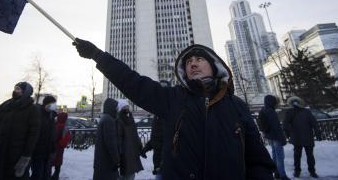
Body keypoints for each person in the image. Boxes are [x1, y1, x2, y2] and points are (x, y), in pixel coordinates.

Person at [74, 39, 275, 179]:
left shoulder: (237, 105)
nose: (193, 64)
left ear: (214, 66)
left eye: (199, 60)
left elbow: (257, 159)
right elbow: (133, 82)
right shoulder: (172, 98)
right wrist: (97, 55)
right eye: (189, 62)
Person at [0, 82, 41, 180]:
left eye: (18, 89)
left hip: (17, 153)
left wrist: (26, 156)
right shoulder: (6, 105)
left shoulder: (32, 109)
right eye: (15, 88)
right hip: (0, 150)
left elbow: (33, 134)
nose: (15, 91)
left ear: (26, 92)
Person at [283, 96, 320, 178]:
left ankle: (297, 172)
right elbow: (314, 123)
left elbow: (285, 125)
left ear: (291, 103)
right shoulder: (307, 111)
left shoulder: (289, 112)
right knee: (310, 155)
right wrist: (317, 133)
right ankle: (312, 172)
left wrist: (289, 135)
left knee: (297, 155)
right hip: (308, 136)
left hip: (296, 137)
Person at [258, 95, 290, 180]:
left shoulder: (264, 109)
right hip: (276, 137)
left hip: (269, 136)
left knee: (275, 155)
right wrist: (283, 139)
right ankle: (282, 175)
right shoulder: (271, 111)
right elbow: (277, 127)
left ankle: (276, 173)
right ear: (272, 101)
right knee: (280, 156)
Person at [93, 98, 120, 180]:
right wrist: (117, 160)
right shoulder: (109, 120)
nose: (117, 110)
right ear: (111, 108)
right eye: (116, 108)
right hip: (107, 162)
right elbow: (111, 144)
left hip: (101, 161)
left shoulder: (104, 118)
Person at [116, 99, 143, 180]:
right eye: (125, 106)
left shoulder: (130, 118)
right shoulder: (121, 120)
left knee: (129, 174)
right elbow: (119, 138)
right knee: (127, 174)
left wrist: (139, 146)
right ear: (121, 108)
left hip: (131, 152)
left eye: (127, 106)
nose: (127, 108)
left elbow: (135, 134)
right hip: (126, 153)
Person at [31, 95, 57, 180]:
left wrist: (53, 149)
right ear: (47, 104)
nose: (54, 105)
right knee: (37, 175)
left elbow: (52, 134)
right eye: (53, 103)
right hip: (37, 152)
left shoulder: (52, 115)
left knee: (45, 175)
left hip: (48, 152)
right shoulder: (38, 114)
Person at [140, 115, 164, 179]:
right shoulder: (156, 118)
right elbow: (154, 140)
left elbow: (155, 140)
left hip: (164, 162)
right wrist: (144, 150)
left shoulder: (163, 119)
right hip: (158, 163)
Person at [51, 112, 70, 180]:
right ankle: (55, 176)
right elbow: (65, 139)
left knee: (50, 162)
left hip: (52, 147)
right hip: (59, 148)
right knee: (58, 162)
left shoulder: (54, 125)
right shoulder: (64, 127)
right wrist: (60, 144)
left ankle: (51, 176)